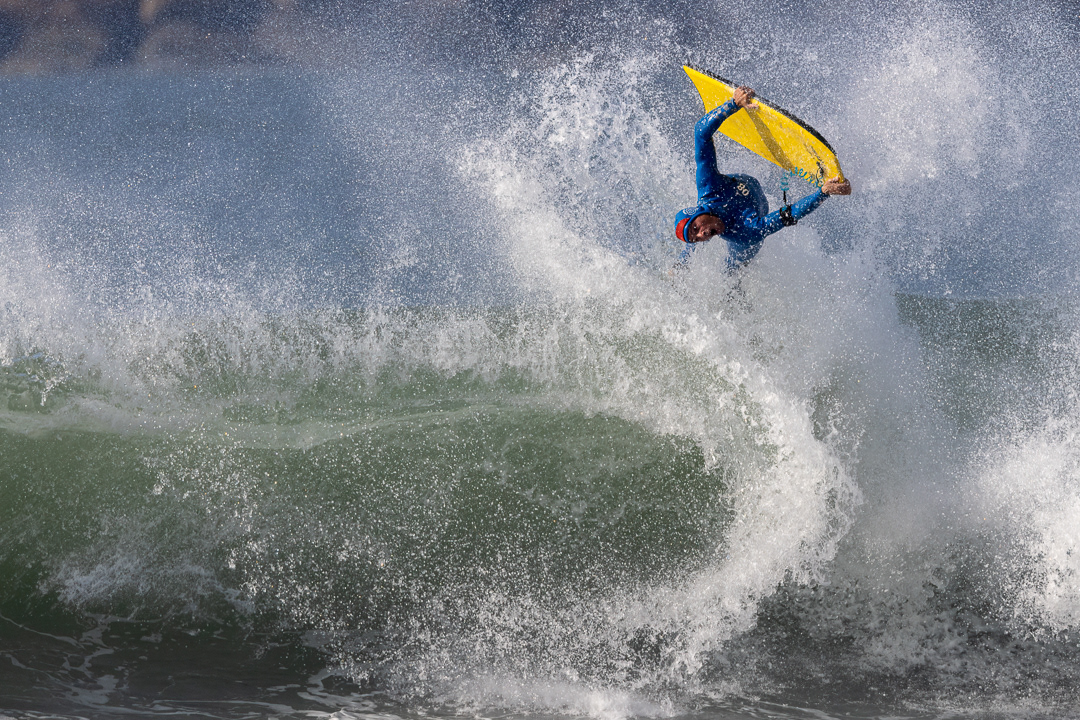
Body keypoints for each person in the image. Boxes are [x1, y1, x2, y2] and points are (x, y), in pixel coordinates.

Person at [674, 86, 851, 269]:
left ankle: (684, 255)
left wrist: (733, 104)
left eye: (695, 228)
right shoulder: (746, 233)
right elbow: (790, 213)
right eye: (697, 238)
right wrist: (823, 193)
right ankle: (692, 264)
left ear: (697, 212)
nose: (702, 235)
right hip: (746, 243)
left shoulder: (709, 186)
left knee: (693, 236)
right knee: (734, 267)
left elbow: (700, 133)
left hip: (734, 189)